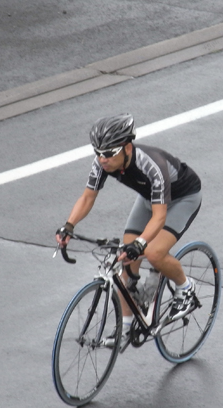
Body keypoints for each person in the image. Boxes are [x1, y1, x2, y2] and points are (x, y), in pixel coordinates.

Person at [55, 113, 202, 348]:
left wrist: (141, 244)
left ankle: (185, 288)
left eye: (109, 154)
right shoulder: (103, 161)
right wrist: (69, 225)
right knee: (125, 261)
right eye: (98, 153)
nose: (103, 160)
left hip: (182, 199)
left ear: (127, 147)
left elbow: (160, 217)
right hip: (149, 199)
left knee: (153, 253)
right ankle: (124, 328)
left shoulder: (151, 165)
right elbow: (87, 198)